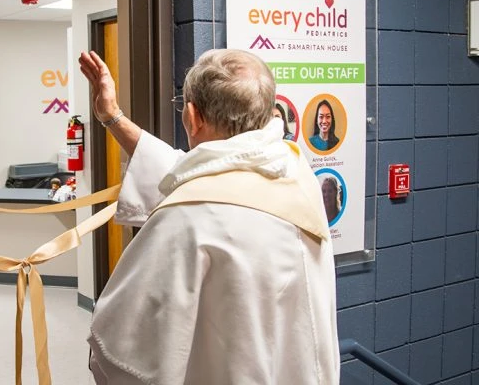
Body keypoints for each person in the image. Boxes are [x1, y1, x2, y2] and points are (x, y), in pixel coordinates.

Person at [79, 50, 339, 384]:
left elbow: (124, 353)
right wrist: (112, 117)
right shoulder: (294, 170)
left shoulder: (185, 219)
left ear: (192, 115)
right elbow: (194, 172)